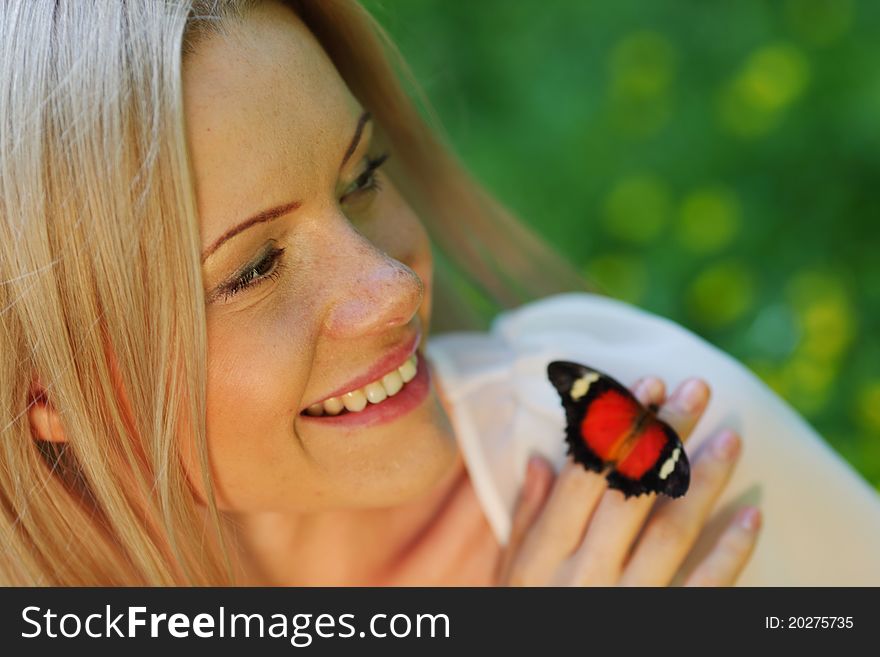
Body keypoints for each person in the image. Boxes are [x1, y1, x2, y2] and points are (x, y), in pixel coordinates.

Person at [1, 0, 876, 586]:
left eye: (362, 177)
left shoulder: (633, 469)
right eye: (254, 268)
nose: (390, 289)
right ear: (46, 391)